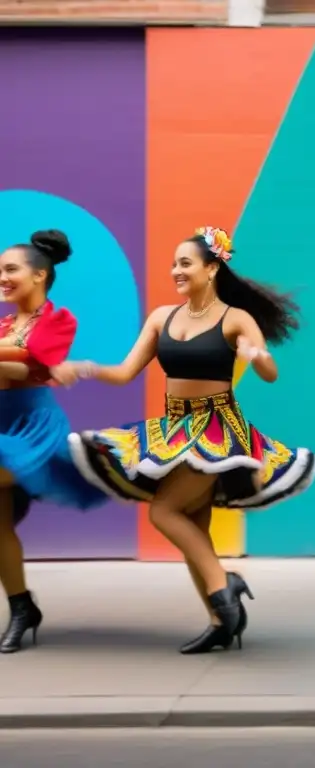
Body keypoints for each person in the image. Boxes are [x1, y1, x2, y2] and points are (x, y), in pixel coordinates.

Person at [52, 226, 315, 654]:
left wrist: (258, 356)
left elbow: (270, 375)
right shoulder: (162, 318)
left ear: (211, 268)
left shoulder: (235, 318)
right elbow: (124, 373)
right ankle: (220, 621)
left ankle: (224, 586)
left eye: (185, 263)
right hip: (174, 429)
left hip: (216, 431)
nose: (175, 270)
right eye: (174, 263)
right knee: (193, 525)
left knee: (164, 511)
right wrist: (83, 366)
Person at [0, 230, 107, 653]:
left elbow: (32, 366)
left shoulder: (58, 320)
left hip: (31, 428)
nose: (2, 278)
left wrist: (16, 359)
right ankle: (22, 607)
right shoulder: (5, 323)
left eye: (10, 270)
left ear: (39, 275)